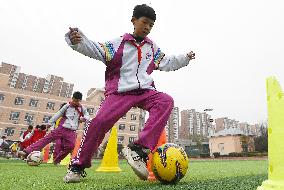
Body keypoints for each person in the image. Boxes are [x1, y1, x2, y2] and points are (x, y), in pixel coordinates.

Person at [64, 4, 195, 183]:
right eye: (145, 22)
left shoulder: (152, 48)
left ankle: (138, 150)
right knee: (98, 123)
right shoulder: (118, 44)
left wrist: (185, 58)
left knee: (165, 101)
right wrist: (78, 40)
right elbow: (95, 48)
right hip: (119, 92)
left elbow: (168, 62)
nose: (147, 27)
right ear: (133, 20)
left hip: (145, 91)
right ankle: (77, 166)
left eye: (151, 25)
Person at [18, 91, 90, 165]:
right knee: (45, 140)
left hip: (72, 131)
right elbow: (58, 114)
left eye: (77, 101)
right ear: (72, 98)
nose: (75, 102)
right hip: (61, 128)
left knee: (71, 146)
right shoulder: (67, 106)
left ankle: (57, 160)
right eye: (74, 100)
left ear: (80, 101)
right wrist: (49, 123)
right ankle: (25, 152)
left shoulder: (82, 108)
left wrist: (83, 118)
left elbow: (88, 116)